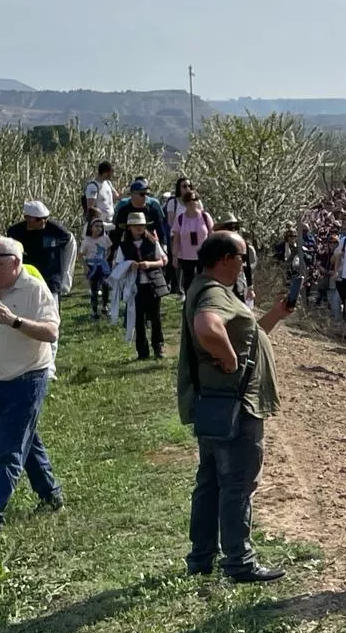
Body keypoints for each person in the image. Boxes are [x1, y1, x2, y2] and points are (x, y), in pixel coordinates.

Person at [178, 230, 296, 583]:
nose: (245, 264)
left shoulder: (209, 289)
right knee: (238, 482)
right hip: (235, 403)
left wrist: (275, 314)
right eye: (242, 257)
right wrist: (228, 360)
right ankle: (239, 561)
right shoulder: (213, 293)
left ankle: (201, 557)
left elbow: (248, 337)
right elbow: (207, 326)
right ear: (226, 259)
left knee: (211, 481)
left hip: (218, 402)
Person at [0, 235, 64, 545]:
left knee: (9, 453)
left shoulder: (34, 290)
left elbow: (51, 331)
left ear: (15, 263)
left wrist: (14, 320)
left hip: (27, 378)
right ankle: (51, 494)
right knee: (27, 442)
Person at [121, 211, 170, 361]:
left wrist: (149, 264)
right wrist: (129, 266)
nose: (139, 228)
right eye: (136, 226)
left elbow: (163, 261)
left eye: (141, 226)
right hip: (135, 287)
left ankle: (158, 346)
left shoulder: (152, 242)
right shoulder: (124, 246)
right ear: (129, 228)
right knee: (138, 319)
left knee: (155, 318)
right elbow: (118, 265)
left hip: (152, 284)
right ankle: (142, 351)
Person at [7, 201, 75, 298]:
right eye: (39, 219)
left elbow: (70, 244)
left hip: (50, 279)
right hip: (26, 278)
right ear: (27, 218)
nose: (44, 222)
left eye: (46, 218)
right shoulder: (15, 232)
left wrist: (65, 278)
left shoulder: (56, 230)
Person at [170, 191, 213, 294]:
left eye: (194, 199)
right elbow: (176, 239)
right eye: (188, 200)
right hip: (186, 257)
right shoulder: (180, 218)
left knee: (203, 283)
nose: (191, 202)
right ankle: (189, 305)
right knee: (188, 285)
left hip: (203, 256)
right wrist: (175, 256)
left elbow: (211, 236)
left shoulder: (205, 217)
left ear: (198, 201)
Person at [111, 178, 165, 253]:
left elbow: (160, 230)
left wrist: (163, 246)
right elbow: (118, 232)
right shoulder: (124, 211)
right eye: (142, 194)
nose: (145, 197)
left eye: (147, 194)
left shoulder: (153, 210)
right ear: (133, 194)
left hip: (150, 247)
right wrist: (115, 249)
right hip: (129, 248)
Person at [80, 216, 111, 320]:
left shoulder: (105, 238)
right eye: (96, 226)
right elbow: (80, 255)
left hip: (102, 265)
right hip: (92, 266)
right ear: (90, 228)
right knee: (94, 289)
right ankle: (94, 311)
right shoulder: (87, 241)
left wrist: (105, 258)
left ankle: (105, 306)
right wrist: (85, 267)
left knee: (105, 285)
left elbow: (110, 249)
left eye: (101, 227)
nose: (99, 228)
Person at [83, 160, 116, 228]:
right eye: (111, 172)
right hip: (99, 225)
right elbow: (90, 208)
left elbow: (117, 196)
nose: (112, 175)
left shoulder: (108, 183)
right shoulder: (93, 187)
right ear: (105, 173)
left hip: (110, 222)